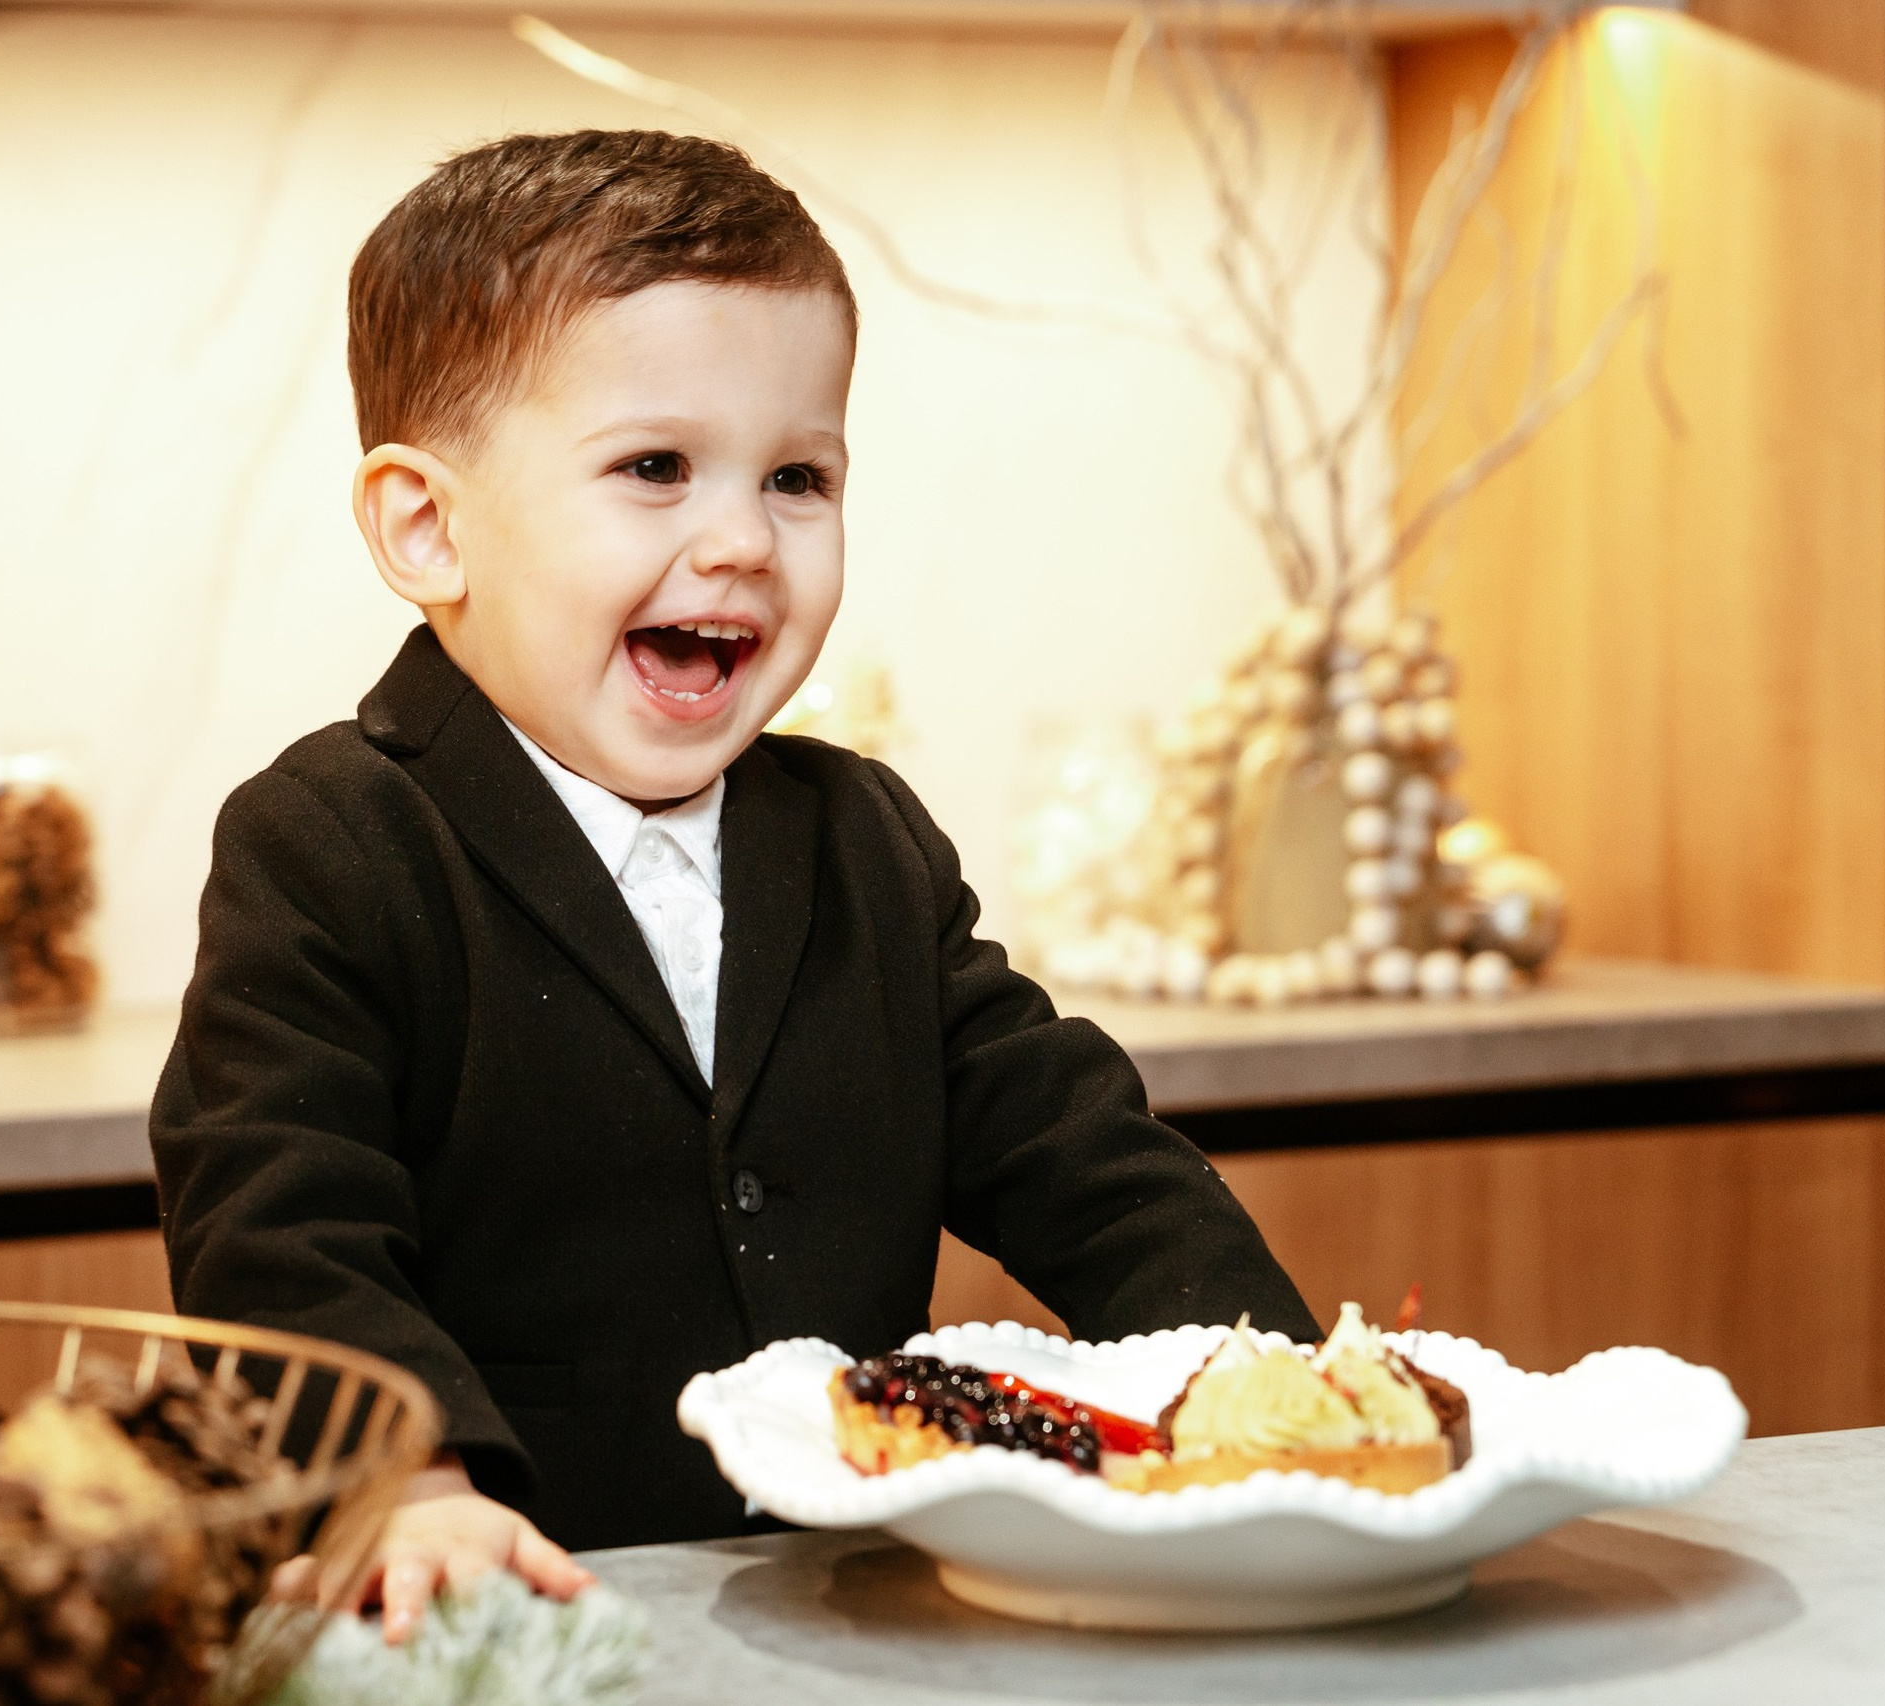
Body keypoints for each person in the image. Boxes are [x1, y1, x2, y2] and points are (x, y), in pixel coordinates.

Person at [149, 128, 1316, 1641]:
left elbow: (1077, 1143)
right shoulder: (331, 836)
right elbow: (275, 1218)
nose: (742, 541)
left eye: (797, 477)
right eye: (655, 468)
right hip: (513, 1610)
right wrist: (409, 1480)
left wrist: (1269, 1371)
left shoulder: (863, 836)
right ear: (427, 526)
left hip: (850, 1614)